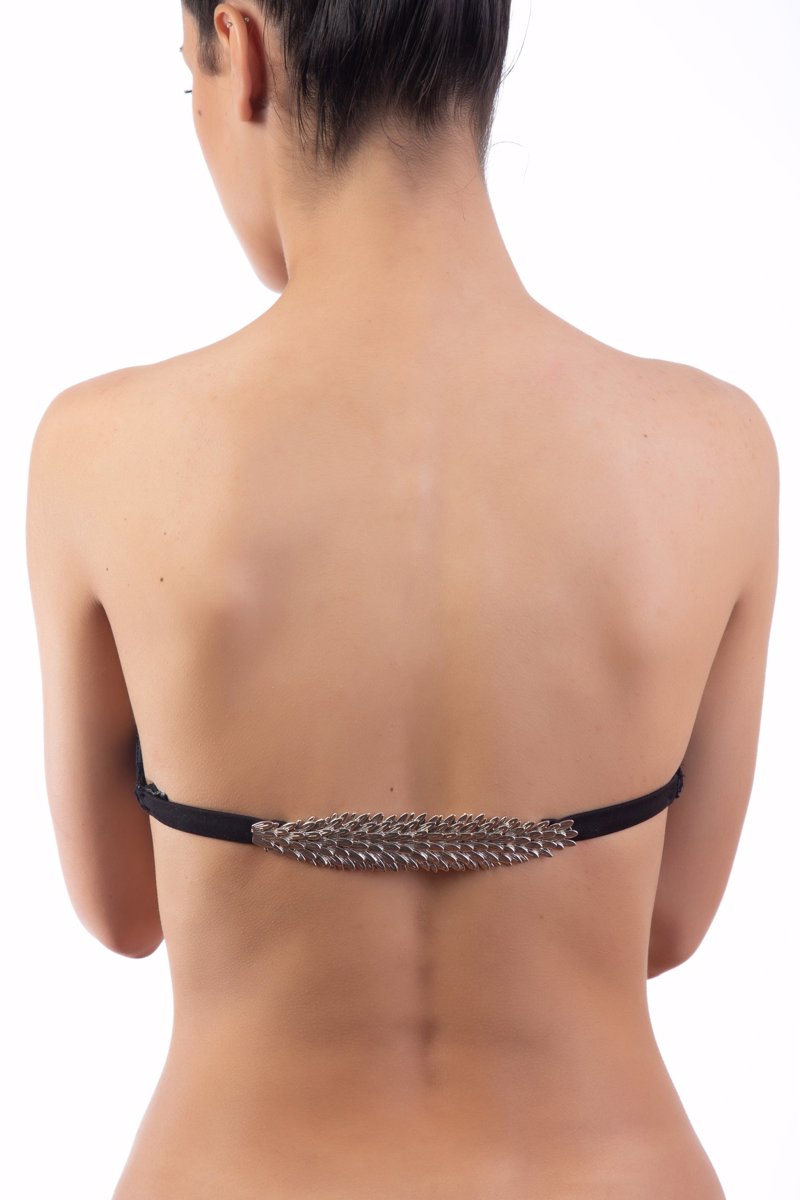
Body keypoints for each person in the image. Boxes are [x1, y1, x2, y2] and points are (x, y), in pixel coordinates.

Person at [25, 2, 779, 1198]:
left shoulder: (99, 452)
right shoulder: (712, 449)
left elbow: (123, 913)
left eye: (187, 81)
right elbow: (667, 926)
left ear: (244, 53)